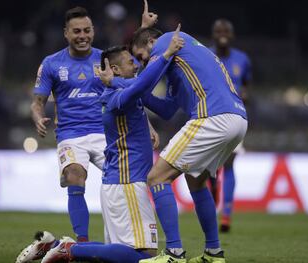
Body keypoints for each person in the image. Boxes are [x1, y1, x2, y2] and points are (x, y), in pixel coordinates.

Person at [18, 28, 184, 263]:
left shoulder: (123, 89)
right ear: (114, 70)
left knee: (122, 252)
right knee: (143, 256)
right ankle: (69, 250)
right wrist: (166, 54)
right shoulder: (115, 96)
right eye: (130, 62)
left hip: (122, 183)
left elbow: (166, 109)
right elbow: (142, 83)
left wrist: (175, 78)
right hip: (127, 183)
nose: (136, 65)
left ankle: (53, 246)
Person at [129, 16, 247, 263]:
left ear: (151, 41)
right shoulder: (177, 67)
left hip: (213, 116)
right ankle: (214, 253)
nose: (143, 62)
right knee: (195, 180)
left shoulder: (166, 42)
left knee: (156, 177)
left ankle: (174, 253)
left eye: (141, 57)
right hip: (238, 119)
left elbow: (143, 82)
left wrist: (125, 84)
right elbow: (168, 110)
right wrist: (138, 94)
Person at [209, 18, 252, 232]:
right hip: (209, 116)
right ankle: (213, 184)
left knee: (230, 163)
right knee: (210, 167)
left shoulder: (242, 59)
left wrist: (244, 95)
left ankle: (226, 214)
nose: (222, 34)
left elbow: (246, 86)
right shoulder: (207, 56)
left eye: (226, 30)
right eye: (218, 31)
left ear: (232, 35)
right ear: (213, 35)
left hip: (235, 116)